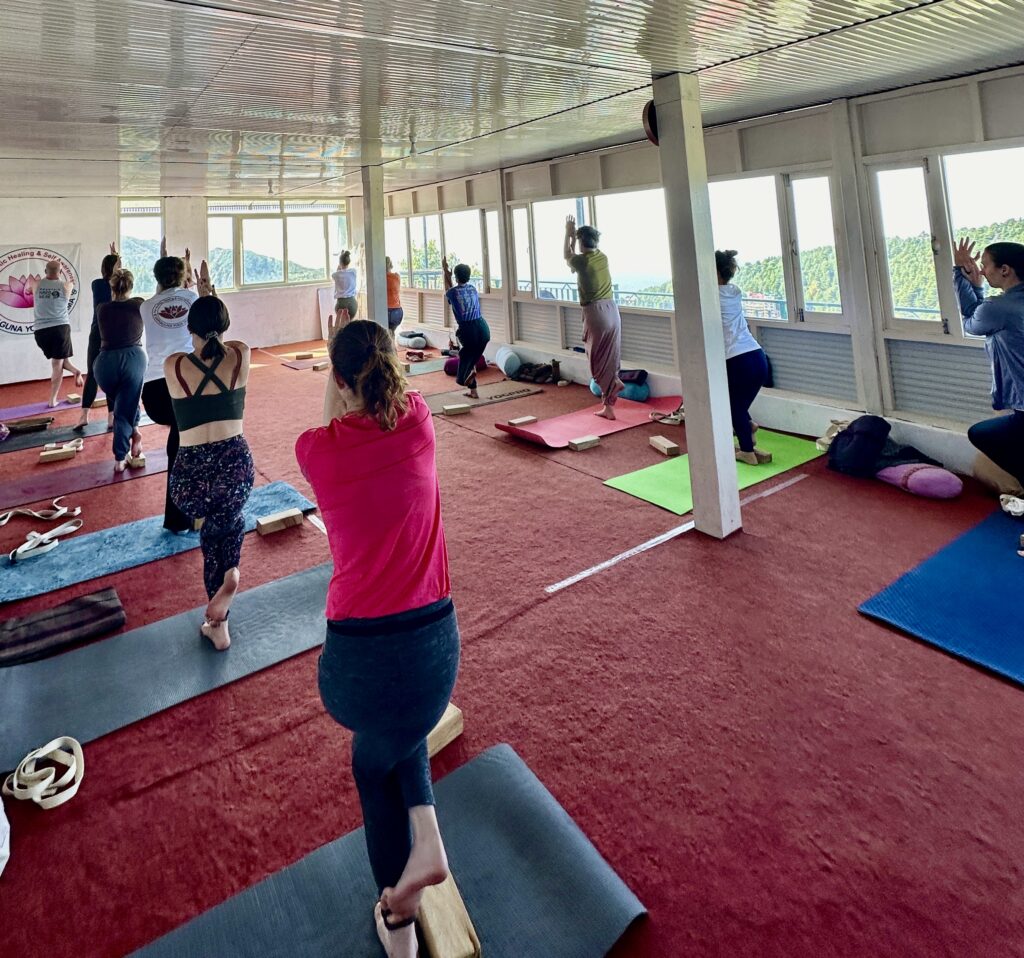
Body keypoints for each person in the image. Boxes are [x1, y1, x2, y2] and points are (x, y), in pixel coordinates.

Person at [295, 320, 457, 958]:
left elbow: (332, 421)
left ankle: (399, 909)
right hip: (436, 656)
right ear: (393, 367)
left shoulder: (317, 451)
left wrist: (341, 380)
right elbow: (393, 393)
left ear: (337, 380)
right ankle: (427, 837)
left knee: (371, 760)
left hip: (354, 670)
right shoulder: (420, 424)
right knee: (403, 728)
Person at [165, 262, 253, 651]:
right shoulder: (241, 356)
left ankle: (216, 622)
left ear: (189, 328)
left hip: (191, 473)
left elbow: (204, 342)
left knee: (209, 535)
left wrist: (201, 299)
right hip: (236, 463)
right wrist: (208, 292)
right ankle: (229, 581)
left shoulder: (175, 366)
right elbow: (228, 343)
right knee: (228, 526)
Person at [953, 238, 1024, 494]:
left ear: (1005, 270)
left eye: (985, 265)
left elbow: (972, 322)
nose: (982, 270)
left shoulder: (1000, 308)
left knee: (981, 434)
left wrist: (962, 278)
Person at [141, 248, 198, 533]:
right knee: (184, 446)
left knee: (180, 441)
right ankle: (181, 517)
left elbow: (162, 296)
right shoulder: (193, 298)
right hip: (185, 384)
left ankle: (181, 515)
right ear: (184, 276)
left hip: (153, 393)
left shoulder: (144, 305)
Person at [716, 250, 772, 465]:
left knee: (733, 406)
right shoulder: (734, 291)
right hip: (758, 357)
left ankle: (747, 451)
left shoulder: (712, 296)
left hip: (738, 360)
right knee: (737, 404)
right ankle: (748, 426)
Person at [564, 217, 623, 419]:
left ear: (581, 243)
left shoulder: (583, 261)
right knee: (610, 356)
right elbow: (572, 260)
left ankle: (611, 387)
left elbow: (567, 255)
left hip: (596, 313)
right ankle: (609, 404)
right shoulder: (602, 257)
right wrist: (574, 236)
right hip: (612, 311)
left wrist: (568, 233)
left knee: (596, 360)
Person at [92, 269, 146, 471]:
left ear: (111, 286)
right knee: (125, 407)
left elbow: (102, 288)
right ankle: (120, 459)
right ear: (131, 286)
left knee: (125, 402)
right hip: (133, 359)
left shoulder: (102, 309)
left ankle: (135, 429)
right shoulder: (139, 304)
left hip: (105, 364)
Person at [78, 243, 119, 429]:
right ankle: (111, 417)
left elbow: (113, 277)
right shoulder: (117, 286)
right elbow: (119, 280)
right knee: (110, 376)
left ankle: (84, 416)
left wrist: (114, 258)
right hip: (112, 334)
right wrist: (117, 259)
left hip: (97, 333)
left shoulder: (96, 284)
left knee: (92, 375)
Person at [32, 260, 83, 407]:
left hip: (40, 332)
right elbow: (69, 285)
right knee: (57, 364)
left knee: (59, 359)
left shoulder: (36, 284)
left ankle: (74, 370)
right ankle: (52, 400)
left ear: (45, 271)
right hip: (60, 329)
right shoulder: (66, 285)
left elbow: (30, 291)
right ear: (60, 273)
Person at [441, 258, 490, 399]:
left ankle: (465, 378)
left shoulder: (453, 292)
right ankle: (473, 391)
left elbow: (448, 291)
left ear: (456, 277)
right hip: (483, 328)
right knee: (471, 359)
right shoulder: (473, 289)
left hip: (468, 330)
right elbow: (453, 290)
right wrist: (449, 275)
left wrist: (445, 273)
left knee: (464, 357)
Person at [333, 251, 359, 325]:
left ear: (340, 263)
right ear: (349, 262)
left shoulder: (336, 275)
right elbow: (347, 270)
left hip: (341, 303)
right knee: (350, 325)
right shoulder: (353, 272)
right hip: (352, 303)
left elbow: (337, 272)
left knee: (342, 326)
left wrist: (339, 267)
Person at [386, 256, 403, 339]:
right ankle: (393, 349)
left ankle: (390, 350)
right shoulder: (397, 276)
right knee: (391, 334)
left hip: (387, 311)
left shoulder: (381, 278)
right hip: (398, 311)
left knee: (387, 336)